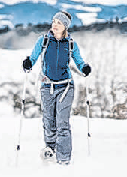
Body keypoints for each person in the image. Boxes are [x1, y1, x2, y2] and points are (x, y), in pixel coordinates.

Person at [22, 11, 91, 165]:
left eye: (59, 23)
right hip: (47, 86)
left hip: (66, 86)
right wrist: (28, 63)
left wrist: (84, 67)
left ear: (65, 26)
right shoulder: (44, 40)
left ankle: (64, 159)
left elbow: (79, 61)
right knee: (48, 121)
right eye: (54, 21)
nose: (54, 25)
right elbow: (33, 57)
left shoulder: (71, 43)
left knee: (62, 123)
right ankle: (50, 149)